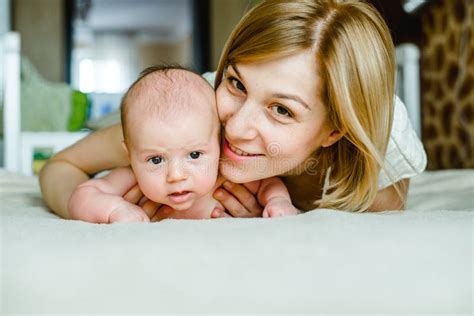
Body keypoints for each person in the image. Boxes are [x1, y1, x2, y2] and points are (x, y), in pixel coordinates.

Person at [40, 0, 426, 219]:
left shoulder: (380, 145)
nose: (237, 127)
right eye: (237, 84)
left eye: (281, 110)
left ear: (333, 131)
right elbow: (61, 166)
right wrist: (104, 208)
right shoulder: (193, 109)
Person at [67, 66, 299, 223]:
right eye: (156, 160)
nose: (176, 175)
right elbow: (83, 195)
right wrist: (114, 210)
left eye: (195, 155)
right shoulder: (133, 177)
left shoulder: (225, 172)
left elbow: (269, 184)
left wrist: (278, 201)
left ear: (219, 142)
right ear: (130, 156)